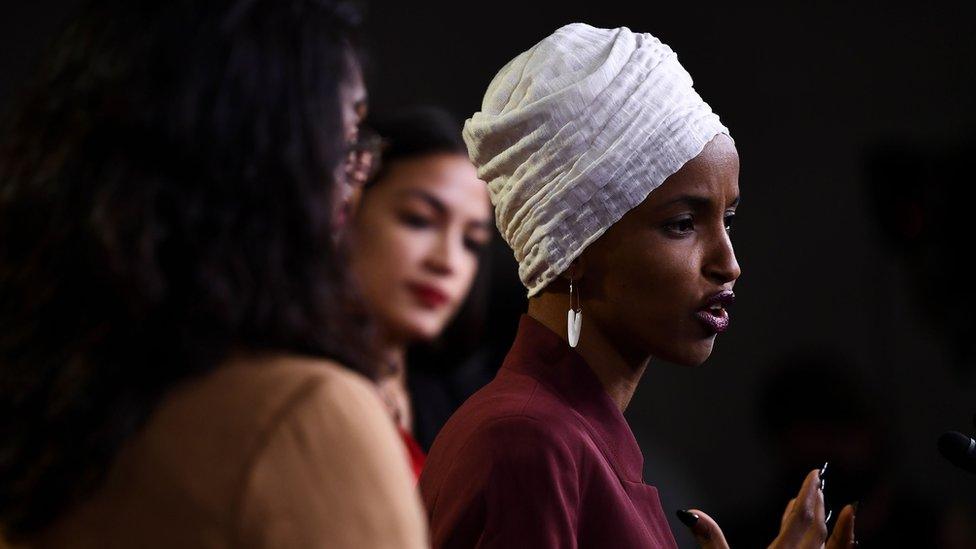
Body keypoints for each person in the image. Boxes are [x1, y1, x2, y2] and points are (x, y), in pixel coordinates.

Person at [0, 0, 427, 547]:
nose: (356, 173)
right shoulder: (304, 419)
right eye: (345, 139)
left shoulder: (40, 402)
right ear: (263, 159)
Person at [418, 23, 856, 548]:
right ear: (574, 246)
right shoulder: (530, 442)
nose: (728, 263)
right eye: (682, 224)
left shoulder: (569, 436)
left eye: (728, 219)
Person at [347, 107, 493, 478]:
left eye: (471, 243)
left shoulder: (463, 413)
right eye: (419, 220)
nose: (448, 262)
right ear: (347, 209)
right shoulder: (285, 385)